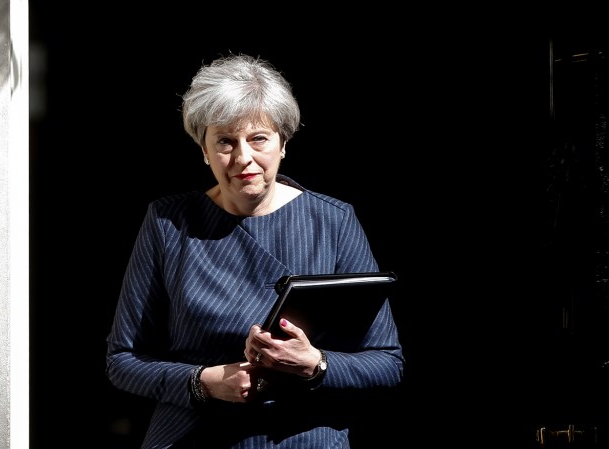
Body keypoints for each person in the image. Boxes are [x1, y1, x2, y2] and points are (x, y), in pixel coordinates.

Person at [105, 53, 405, 448]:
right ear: (204, 150)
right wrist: (202, 382)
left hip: (303, 437)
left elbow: (387, 362)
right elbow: (123, 360)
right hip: (193, 435)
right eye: (225, 141)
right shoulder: (167, 222)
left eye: (258, 138)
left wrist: (315, 364)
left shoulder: (333, 221)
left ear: (283, 143)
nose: (243, 157)